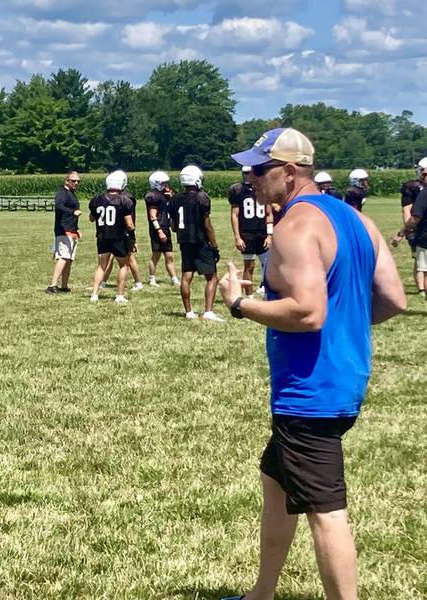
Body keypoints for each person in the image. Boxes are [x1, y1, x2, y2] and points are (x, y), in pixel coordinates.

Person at [220, 128, 406, 600]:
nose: (251, 180)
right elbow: (393, 300)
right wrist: (346, 329)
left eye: (259, 171)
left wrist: (241, 305)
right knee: (275, 479)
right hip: (343, 379)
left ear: (288, 172)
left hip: (310, 391)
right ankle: (261, 593)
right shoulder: (355, 220)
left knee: (325, 510)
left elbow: (307, 311)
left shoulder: (294, 227)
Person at [169, 165, 222, 321]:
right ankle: (208, 311)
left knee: (186, 276)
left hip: (184, 240)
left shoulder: (175, 199)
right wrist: (214, 245)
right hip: (200, 240)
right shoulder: (202, 197)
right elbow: (207, 224)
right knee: (212, 277)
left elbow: (173, 227)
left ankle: (188, 312)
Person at [89, 170, 135, 304]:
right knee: (123, 265)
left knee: (101, 266)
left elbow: (92, 218)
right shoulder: (124, 201)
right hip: (118, 237)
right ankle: (120, 295)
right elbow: (129, 224)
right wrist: (132, 235)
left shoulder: (97, 199)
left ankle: (94, 294)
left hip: (102, 236)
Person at [228, 166, 273, 297]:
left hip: (262, 232)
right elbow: (234, 215)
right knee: (249, 266)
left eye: (250, 173)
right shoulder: (239, 191)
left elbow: (269, 214)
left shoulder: (264, 189)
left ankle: (266, 289)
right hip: (246, 233)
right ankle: (249, 296)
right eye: (246, 173)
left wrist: (269, 235)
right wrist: (237, 237)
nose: (248, 176)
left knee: (268, 265)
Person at [392, 161, 427, 300]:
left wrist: (402, 233)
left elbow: (414, 217)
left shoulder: (424, 193)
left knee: (424, 270)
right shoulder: (417, 189)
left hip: (425, 237)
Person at [46, 171, 82, 294]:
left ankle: (64, 285)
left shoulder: (71, 193)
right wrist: (73, 212)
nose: (76, 183)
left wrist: (76, 228)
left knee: (69, 259)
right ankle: (52, 285)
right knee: (63, 257)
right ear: (66, 181)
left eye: (78, 181)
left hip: (71, 230)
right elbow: (58, 205)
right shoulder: (62, 193)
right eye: (73, 181)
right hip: (63, 230)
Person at [145, 171, 180, 287]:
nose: (166, 186)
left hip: (165, 227)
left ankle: (174, 279)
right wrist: (159, 231)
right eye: (164, 183)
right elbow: (152, 216)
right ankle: (152, 279)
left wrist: (171, 198)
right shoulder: (153, 196)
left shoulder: (164, 196)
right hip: (158, 228)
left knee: (169, 255)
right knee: (156, 254)